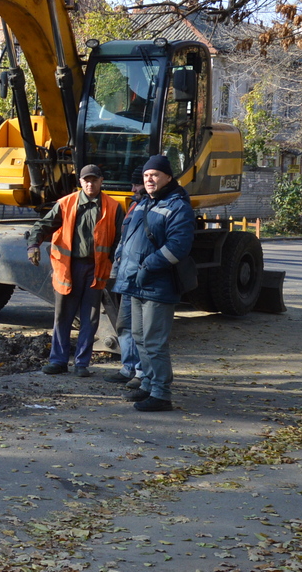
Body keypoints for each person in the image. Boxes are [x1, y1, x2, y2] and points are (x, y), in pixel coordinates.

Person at [109, 154, 195, 411]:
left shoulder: (178, 206)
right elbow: (127, 241)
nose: (149, 179)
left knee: (154, 341)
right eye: (146, 176)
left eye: (155, 175)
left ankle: (161, 393)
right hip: (135, 282)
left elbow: (178, 247)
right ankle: (147, 383)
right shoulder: (146, 202)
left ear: (168, 177)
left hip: (158, 285)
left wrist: (148, 266)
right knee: (139, 337)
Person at [27, 164, 125, 377]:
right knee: (63, 315)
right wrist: (33, 245)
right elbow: (42, 226)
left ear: (101, 181)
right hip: (69, 267)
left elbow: (119, 241)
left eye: (94, 180)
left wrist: (115, 265)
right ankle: (58, 361)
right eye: (86, 180)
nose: (90, 184)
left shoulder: (114, 207)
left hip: (96, 268)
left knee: (90, 318)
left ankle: (82, 363)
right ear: (80, 182)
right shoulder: (66, 204)